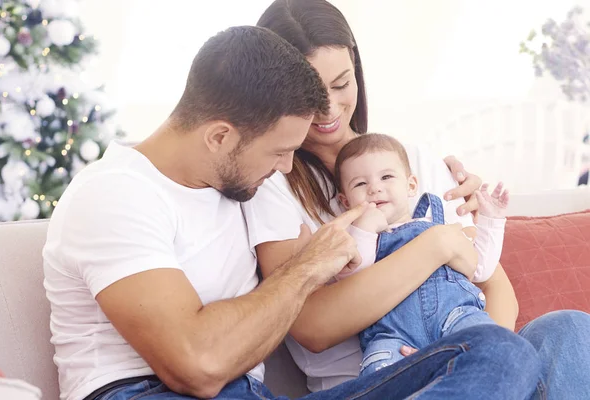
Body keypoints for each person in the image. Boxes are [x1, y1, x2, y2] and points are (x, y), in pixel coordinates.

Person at [42, 25, 541, 400]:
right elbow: (197, 364)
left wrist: (445, 200)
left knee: (541, 339)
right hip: (145, 393)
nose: (287, 166)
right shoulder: (115, 195)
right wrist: (309, 265)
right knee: (500, 355)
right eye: (280, 151)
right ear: (220, 136)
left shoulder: (229, 184)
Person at [245, 0, 590, 398]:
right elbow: (313, 327)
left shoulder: (414, 162)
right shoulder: (271, 185)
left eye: (341, 84)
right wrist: (436, 244)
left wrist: (485, 362)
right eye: (308, 93)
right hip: (376, 379)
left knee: (570, 328)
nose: (328, 108)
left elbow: (492, 284)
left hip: (473, 363)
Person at [333, 133, 509, 374]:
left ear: (411, 185)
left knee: (494, 347)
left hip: (457, 318)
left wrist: (491, 220)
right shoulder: (359, 241)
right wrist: (363, 227)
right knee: (378, 375)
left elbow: (480, 269)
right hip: (393, 338)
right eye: (360, 184)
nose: (375, 188)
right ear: (345, 201)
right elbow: (352, 282)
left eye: (386, 177)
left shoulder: (440, 225)